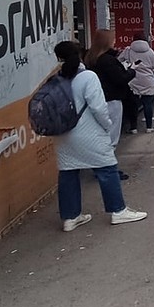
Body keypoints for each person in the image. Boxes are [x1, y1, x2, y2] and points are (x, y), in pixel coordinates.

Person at [52, 40, 147, 231]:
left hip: (63, 135)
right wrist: (107, 125)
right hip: (89, 132)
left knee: (68, 172)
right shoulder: (87, 77)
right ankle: (118, 211)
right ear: (80, 54)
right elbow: (98, 107)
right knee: (107, 169)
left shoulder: (58, 78)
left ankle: (70, 217)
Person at [85, 28, 134, 177]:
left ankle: (100, 166)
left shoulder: (90, 58)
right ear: (107, 42)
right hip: (112, 100)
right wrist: (132, 72)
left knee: (101, 135)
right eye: (112, 39)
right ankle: (108, 170)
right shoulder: (108, 60)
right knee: (111, 137)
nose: (114, 41)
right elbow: (120, 79)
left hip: (97, 100)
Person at [121, 31, 154, 133]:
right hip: (147, 80)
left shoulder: (128, 51)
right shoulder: (150, 51)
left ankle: (133, 128)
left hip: (133, 79)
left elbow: (119, 60)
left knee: (133, 105)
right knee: (147, 103)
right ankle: (149, 127)